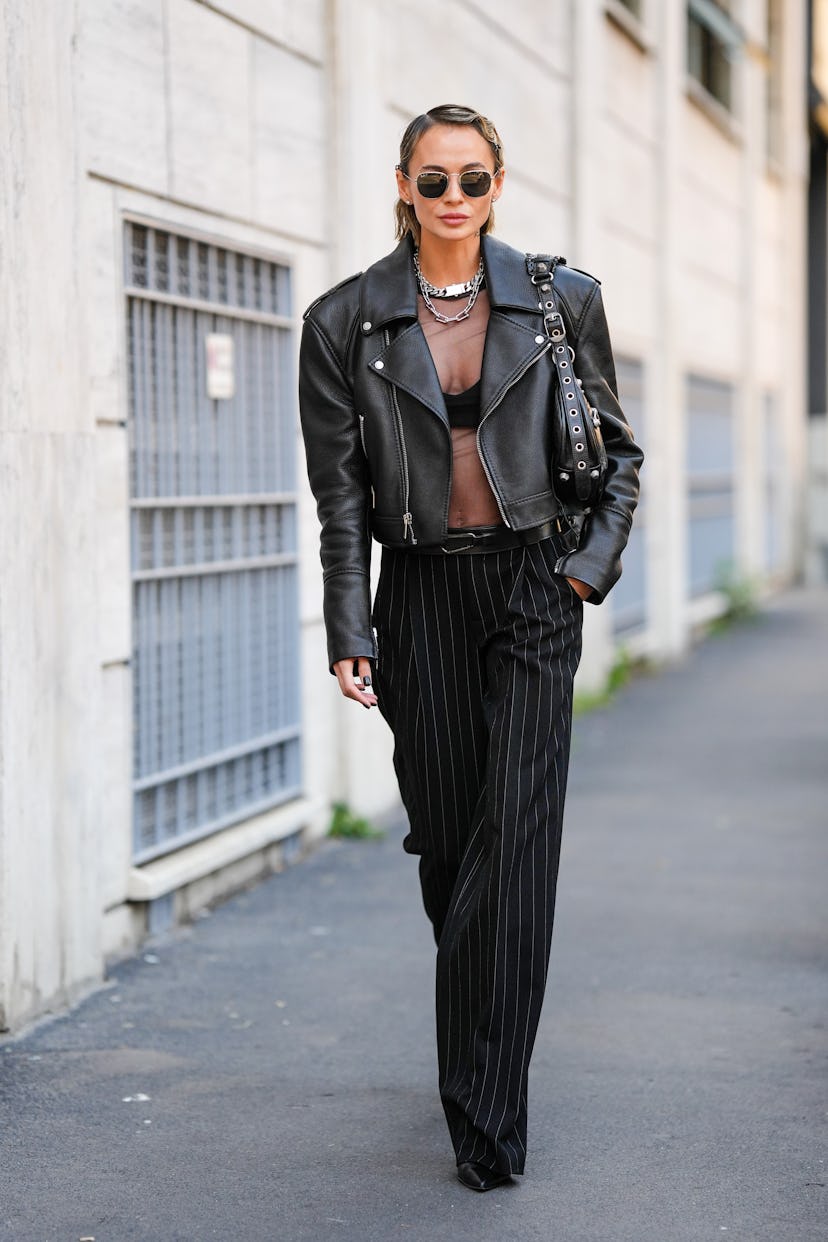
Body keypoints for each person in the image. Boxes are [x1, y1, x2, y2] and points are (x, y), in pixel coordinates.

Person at [298, 104, 643, 1192]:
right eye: (435, 181)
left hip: (537, 583)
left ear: (500, 184)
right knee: (454, 846)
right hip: (421, 592)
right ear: (402, 184)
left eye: (474, 181)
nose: (455, 200)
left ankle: (487, 1121)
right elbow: (341, 497)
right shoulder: (343, 322)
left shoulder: (557, 301)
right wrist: (350, 623)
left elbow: (619, 457)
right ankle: (477, 1017)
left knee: (517, 836)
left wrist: (587, 570)